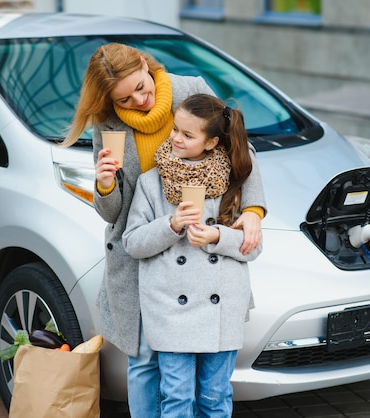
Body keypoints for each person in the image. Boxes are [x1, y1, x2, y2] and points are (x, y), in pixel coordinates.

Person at [62, 44, 266, 418]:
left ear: (145, 64)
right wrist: (105, 185)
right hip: (143, 250)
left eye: (140, 87)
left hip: (204, 252)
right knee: (144, 364)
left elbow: (240, 149)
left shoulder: (190, 91)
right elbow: (116, 214)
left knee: (211, 385)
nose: (139, 100)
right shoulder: (108, 126)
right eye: (124, 98)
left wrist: (253, 211)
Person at [122, 93, 263, 417]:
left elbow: (254, 248)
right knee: (177, 400)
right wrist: (170, 225)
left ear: (212, 142)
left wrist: (217, 236)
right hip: (171, 311)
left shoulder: (234, 182)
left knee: (215, 399)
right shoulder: (151, 182)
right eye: (175, 130)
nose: (175, 138)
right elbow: (132, 243)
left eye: (187, 135)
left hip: (221, 311)